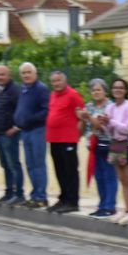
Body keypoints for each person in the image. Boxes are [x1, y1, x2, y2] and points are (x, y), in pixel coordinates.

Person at [45, 71, 85, 214]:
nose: (56, 83)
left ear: (65, 80)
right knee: (59, 171)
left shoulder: (73, 95)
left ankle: (72, 201)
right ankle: (63, 198)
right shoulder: (53, 95)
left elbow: (82, 116)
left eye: (58, 80)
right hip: (54, 139)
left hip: (68, 139)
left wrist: (76, 135)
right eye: (53, 81)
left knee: (70, 171)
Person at [11, 62, 50, 208]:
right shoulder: (24, 89)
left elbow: (46, 111)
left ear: (35, 73)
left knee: (38, 164)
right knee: (30, 165)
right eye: (23, 73)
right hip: (25, 131)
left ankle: (41, 196)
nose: (26, 75)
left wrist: (28, 119)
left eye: (29, 72)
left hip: (37, 131)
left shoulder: (41, 89)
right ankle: (34, 195)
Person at [79, 78, 117, 218]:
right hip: (93, 147)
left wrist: (89, 117)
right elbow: (82, 130)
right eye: (93, 90)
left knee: (109, 176)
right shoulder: (89, 106)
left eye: (98, 90)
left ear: (105, 91)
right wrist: (82, 119)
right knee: (99, 177)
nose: (95, 92)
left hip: (107, 144)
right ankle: (102, 205)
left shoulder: (110, 106)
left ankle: (110, 206)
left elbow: (102, 127)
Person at [106, 78, 128, 224]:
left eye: (121, 87)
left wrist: (111, 122)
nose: (118, 90)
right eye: (115, 87)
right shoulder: (111, 108)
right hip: (116, 144)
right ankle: (126, 210)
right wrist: (105, 124)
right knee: (122, 179)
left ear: (126, 90)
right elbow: (108, 131)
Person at [0, 64, 24, 205]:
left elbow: (21, 110)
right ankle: (9, 192)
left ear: (9, 75)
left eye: (2, 74)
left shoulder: (14, 90)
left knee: (13, 164)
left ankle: (19, 194)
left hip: (9, 134)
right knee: (5, 164)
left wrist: (16, 127)